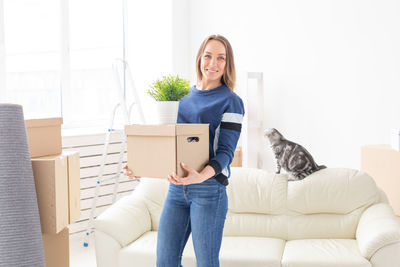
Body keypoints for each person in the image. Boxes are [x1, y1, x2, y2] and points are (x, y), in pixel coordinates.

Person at [124, 34, 245, 267]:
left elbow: (226, 153)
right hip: (176, 191)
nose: (213, 63)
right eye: (208, 55)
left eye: (221, 58)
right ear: (199, 58)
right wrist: (140, 168)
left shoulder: (232, 101)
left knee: (206, 263)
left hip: (209, 191)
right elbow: (168, 144)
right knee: (165, 261)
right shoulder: (181, 98)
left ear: (227, 64)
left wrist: (201, 176)